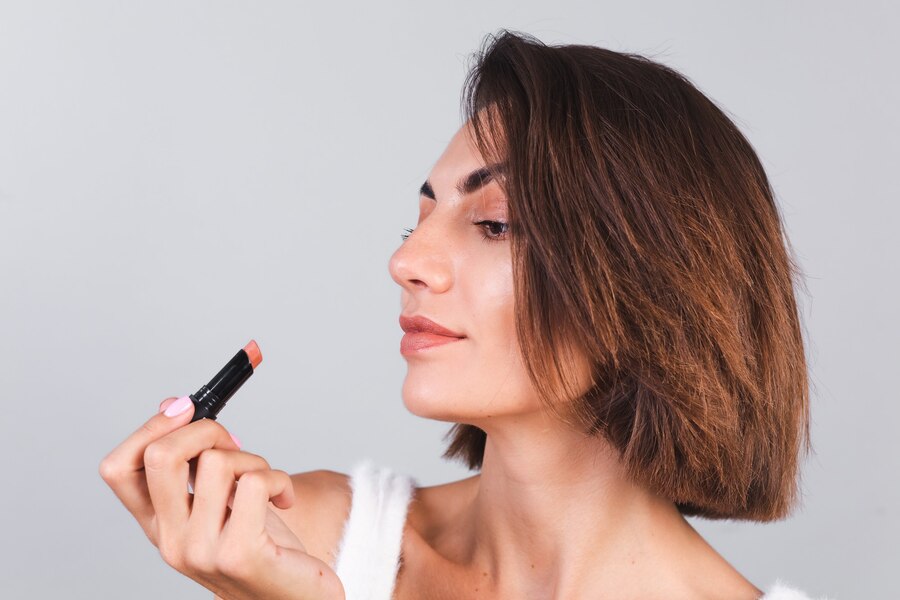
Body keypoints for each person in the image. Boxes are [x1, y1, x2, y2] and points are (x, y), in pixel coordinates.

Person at [100, 30, 826, 599]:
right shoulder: (308, 539)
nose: (407, 261)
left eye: (495, 223)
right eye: (418, 219)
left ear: (654, 285)